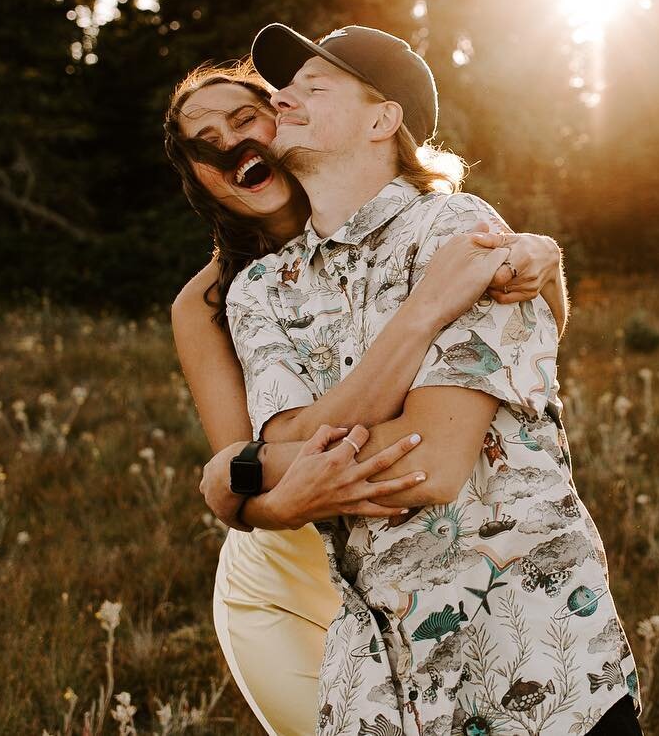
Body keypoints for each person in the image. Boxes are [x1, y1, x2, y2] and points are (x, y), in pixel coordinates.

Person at [226, 23, 642, 736]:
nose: (282, 100)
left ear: (383, 119)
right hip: (383, 681)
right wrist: (267, 466)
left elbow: (428, 464)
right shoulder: (262, 290)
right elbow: (270, 454)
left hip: (539, 659)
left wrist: (276, 465)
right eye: (283, 88)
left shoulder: (462, 232)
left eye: (312, 86)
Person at [163, 59, 570, 736]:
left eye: (243, 119)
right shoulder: (213, 302)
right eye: (203, 142)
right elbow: (252, 464)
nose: (230, 145)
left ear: (286, 115)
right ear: (199, 176)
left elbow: (531, 340)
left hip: (428, 565)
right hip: (291, 576)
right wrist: (260, 498)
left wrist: (541, 258)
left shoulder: (420, 228)